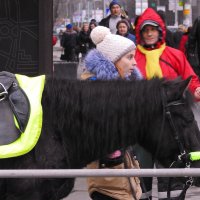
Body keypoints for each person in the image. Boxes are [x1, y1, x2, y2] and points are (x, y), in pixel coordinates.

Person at [134, 8, 200, 200]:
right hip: (142, 125)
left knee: (170, 176)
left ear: (160, 31)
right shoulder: (132, 56)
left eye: (152, 30)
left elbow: (190, 77)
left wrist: (196, 89)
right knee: (140, 176)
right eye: (145, 30)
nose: (149, 34)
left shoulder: (174, 55)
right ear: (140, 32)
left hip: (171, 128)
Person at [81, 26, 142, 200]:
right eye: (129, 57)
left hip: (126, 183)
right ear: (111, 61)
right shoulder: (95, 93)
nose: (135, 63)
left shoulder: (119, 91)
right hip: (108, 185)